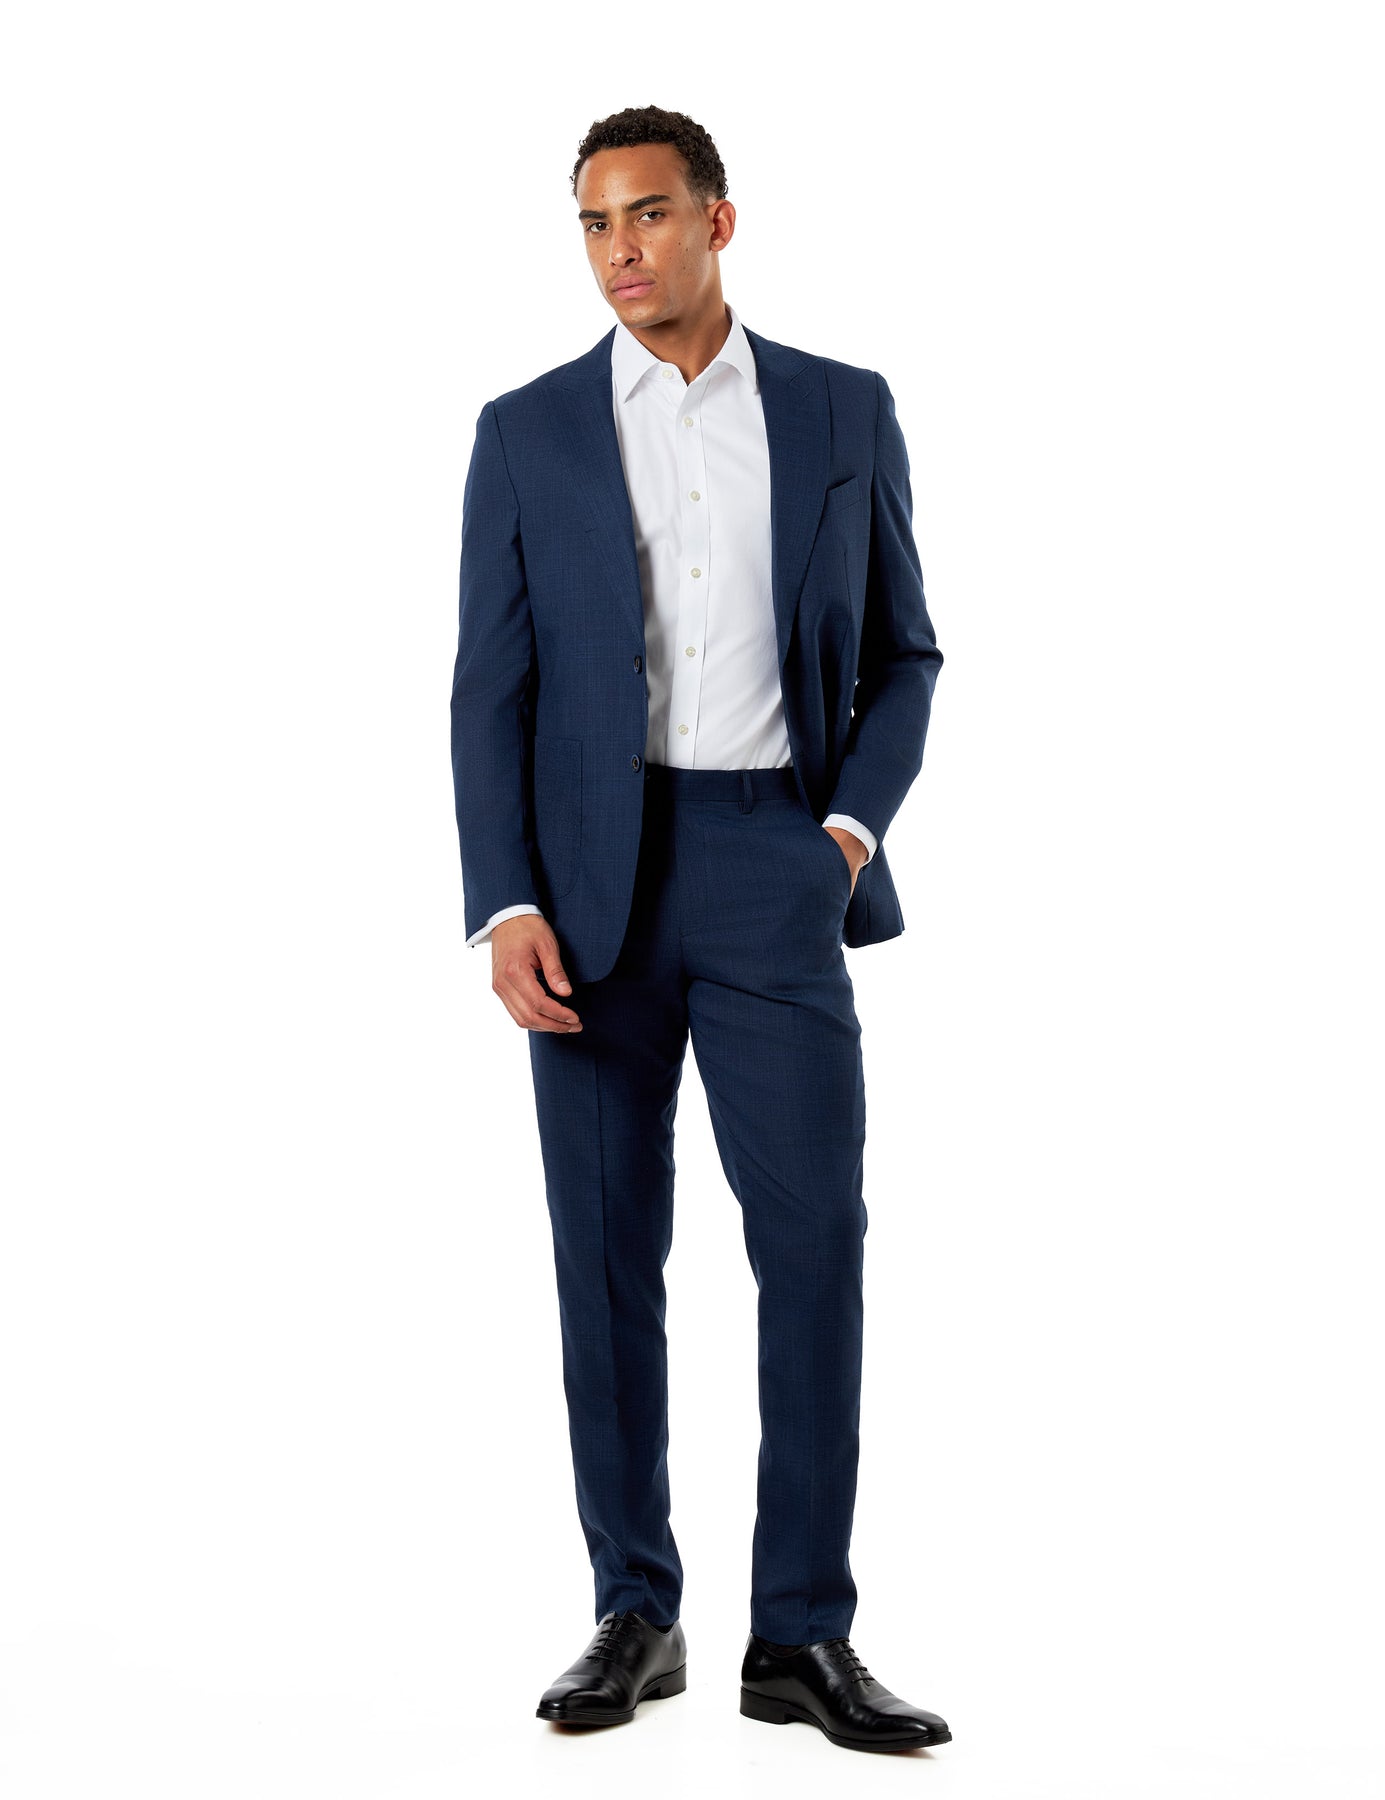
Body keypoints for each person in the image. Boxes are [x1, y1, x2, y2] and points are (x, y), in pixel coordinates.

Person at [450, 104, 949, 1755]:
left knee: (813, 1246)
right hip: (587, 891)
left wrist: (842, 835)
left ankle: (799, 1633)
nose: (620, 250)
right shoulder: (526, 431)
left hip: (770, 864)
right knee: (604, 1256)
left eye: (648, 215)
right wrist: (505, 902)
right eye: (594, 224)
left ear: (716, 222)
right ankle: (633, 1609)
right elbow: (488, 691)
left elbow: (905, 653)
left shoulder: (838, 408)